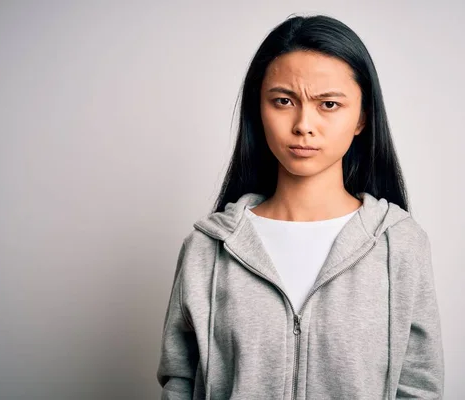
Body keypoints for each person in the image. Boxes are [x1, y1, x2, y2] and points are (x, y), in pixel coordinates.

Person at [156, 13, 444, 400]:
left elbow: (418, 386)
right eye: (283, 101)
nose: (303, 124)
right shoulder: (208, 249)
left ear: (362, 117)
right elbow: (180, 381)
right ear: (259, 110)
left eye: (328, 104)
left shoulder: (400, 245)